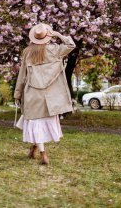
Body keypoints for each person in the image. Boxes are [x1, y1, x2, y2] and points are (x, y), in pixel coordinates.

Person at [14, 23, 75, 165]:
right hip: (49, 96)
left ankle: (43, 154)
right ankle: (34, 149)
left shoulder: (27, 52)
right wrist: (58, 35)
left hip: (33, 94)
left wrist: (17, 94)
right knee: (40, 124)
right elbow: (71, 45)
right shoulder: (54, 50)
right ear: (47, 37)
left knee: (35, 123)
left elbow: (22, 75)